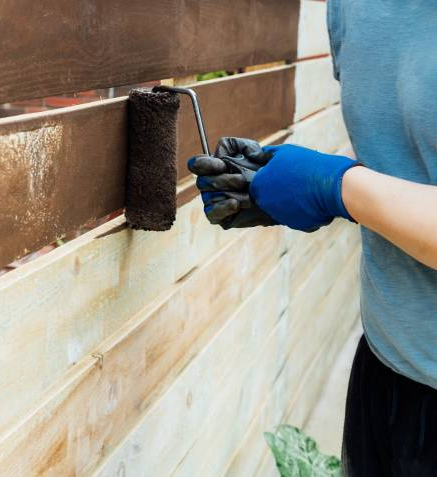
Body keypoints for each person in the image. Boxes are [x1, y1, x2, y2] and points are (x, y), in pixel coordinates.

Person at [188, 1, 437, 475]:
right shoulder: (356, 8)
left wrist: (335, 187)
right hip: (385, 370)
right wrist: (277, 186)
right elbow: (409, 152)